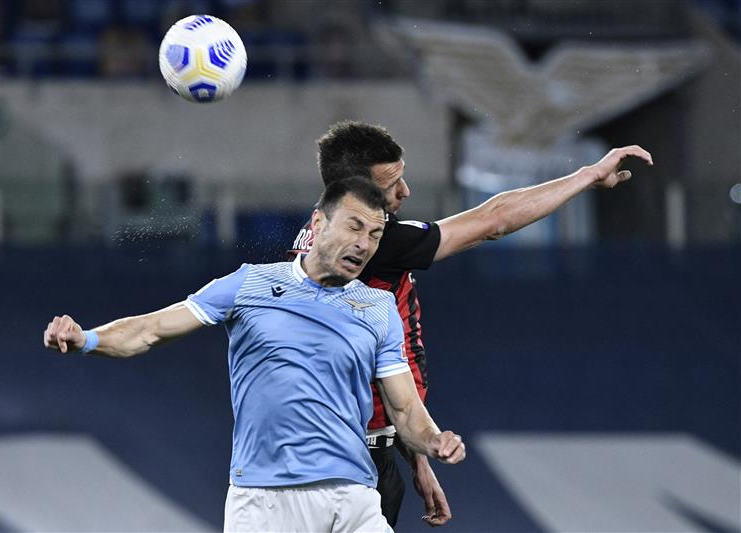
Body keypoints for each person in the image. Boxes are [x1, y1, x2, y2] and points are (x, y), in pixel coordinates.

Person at [43, 177, 466, 532]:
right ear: (318, 223)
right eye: (354, 227)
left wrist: (433, 440)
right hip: (264, 500)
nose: (364, 244)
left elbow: (405, 411)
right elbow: (151, 330)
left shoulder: (377, 308)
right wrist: (88, 340)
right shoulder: (250, 285)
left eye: (374, 235)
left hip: (352, 495)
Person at [288, 121, 654, 527]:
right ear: (358, 191)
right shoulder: (380, 243)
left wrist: (417, 457)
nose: (404, 191)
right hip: (354, 461)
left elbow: (371, 356)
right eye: (391, 183)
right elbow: (493, 221)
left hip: (339, 446)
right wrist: (587, 176)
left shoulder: (316, 235)